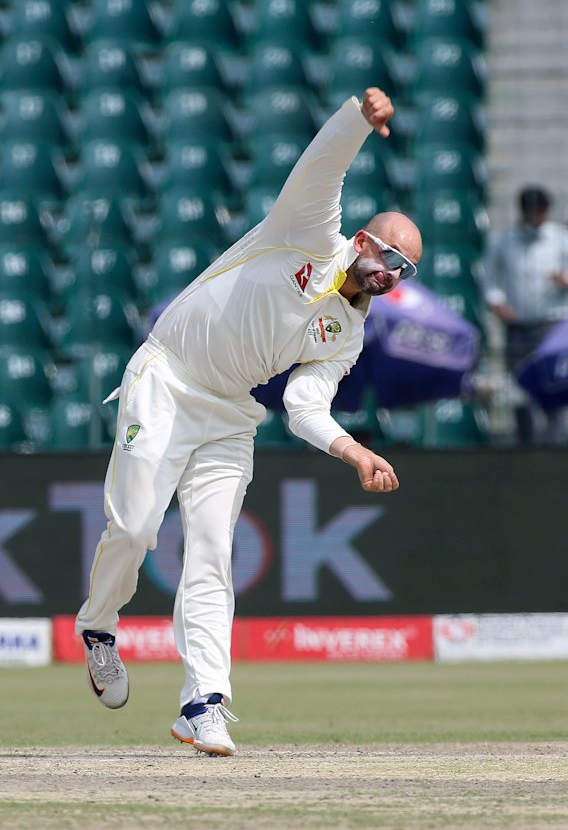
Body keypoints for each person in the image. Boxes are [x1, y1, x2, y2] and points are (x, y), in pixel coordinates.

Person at [76, 87, 423, 756]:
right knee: (137, 526)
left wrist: (354, 452)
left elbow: (304, 406)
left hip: (231, 415)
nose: (393, 274)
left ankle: (203, 704)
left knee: (211, 551)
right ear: (361, 241)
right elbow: (322, 167)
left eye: (405, 270)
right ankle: (98, 627)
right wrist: (358, 119)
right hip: (167, 377)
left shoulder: (348, 333)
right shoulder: (306, 230)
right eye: (389, 257)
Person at [482, 186, 568, 444]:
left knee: (552, 384)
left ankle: (555, 443)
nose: (534, 217)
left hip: (551, 323)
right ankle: (525, 444)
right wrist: (497, 303)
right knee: (518, 387)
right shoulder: (504, 240)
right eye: (530, 211)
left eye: (538, 211)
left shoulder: (560, 238)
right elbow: (488, 279)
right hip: (517, 325)